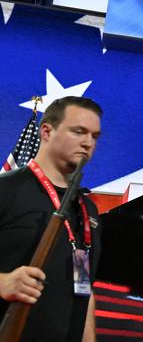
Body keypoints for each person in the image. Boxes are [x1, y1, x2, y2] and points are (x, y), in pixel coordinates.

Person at [0, 96, 103, 342]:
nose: (88, 143)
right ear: (46, 131)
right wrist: (2, 283)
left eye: (95, 136)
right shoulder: (6, 190)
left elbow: (83, 285)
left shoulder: (87, 209)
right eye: (79, 132)